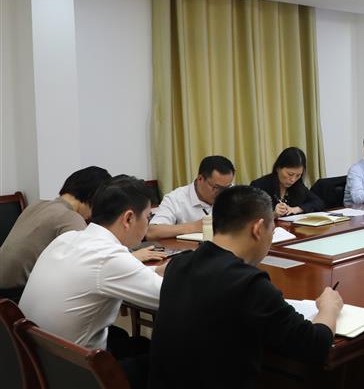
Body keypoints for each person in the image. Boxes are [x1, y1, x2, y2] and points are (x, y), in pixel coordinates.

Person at [149, 186, 341, 389]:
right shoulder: (249, 284)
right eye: (272, 231)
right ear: (258, 229)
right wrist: (329, 308)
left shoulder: (178, 264)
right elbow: (315, 345)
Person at [18, 176, 165, 388]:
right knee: (170, 359)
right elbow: (170, 295)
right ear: (129, 218)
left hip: (40, 362)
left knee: (135, 343)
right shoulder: (109, 256)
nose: (147, 225)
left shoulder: (67, 238)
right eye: (148, 217)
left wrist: (155, 271)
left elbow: (110, 273)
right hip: (78, 375)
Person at [0, 166, 111, 301]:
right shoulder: (70, 217)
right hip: (16, 296)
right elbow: (91, 262)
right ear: (93, 198)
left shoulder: (37, 205)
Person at [147, 155, 235, 240]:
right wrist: (194, 227)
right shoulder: (176, 199)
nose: (222, 193)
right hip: (188, 249)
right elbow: (151, 232)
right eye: (216, 187)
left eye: (227, 187)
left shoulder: (233, 194)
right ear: (200, 179)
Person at [251, 147, 324, 217]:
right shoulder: (259, 186)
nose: (293, 179)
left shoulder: (298, 186)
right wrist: (273, 214)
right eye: (290, 174)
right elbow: (251, 215)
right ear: (278, 168)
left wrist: (297, 209)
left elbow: (318, 202)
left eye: (298, 175)